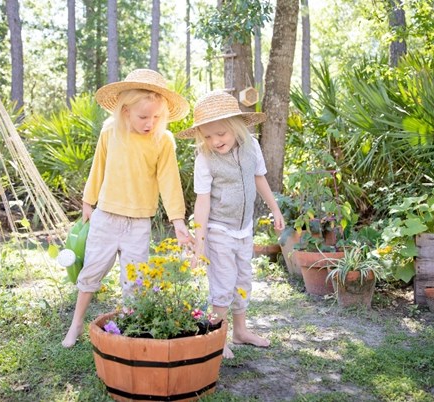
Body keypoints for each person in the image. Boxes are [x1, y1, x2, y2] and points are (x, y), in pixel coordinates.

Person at [62, 69, 192, 348]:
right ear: (124, 112)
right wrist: (88, 201)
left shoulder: (163, 140)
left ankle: (133, 331)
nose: (150, 123)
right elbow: (99, 166)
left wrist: (178, 221)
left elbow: (169, 181)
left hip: (139, 223)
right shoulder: (111, 131)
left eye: (156, 117)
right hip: (106, 216)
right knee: (91, 273)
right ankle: (75, 325)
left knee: (135, 283)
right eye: (143, 117)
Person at [177, 90, 285, 359]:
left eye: (221, 134)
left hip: (244, 229)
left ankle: (240, 331)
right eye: (208, 136)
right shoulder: (205, 158)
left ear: (236, 127)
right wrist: (199, 244)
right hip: (218, 229)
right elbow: (202, 203)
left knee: (243, 280)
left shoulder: (252, 147)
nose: (215, 141)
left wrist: (275, 208)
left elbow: (260, 179)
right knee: (223, 283)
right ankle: (218, 336)